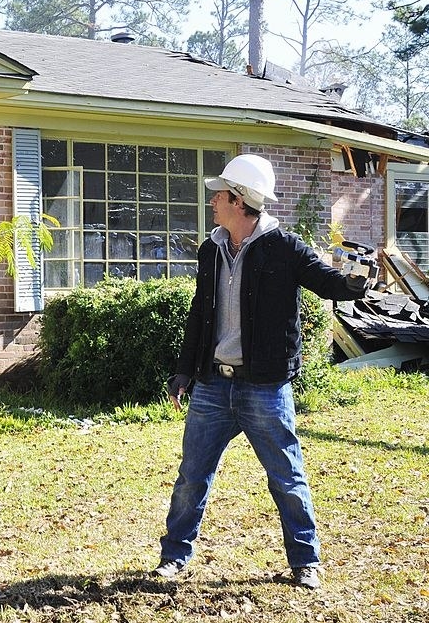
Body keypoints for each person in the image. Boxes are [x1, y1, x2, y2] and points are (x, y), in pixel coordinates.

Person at [154, 153, 374, 590]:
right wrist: (184, 371)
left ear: (239, 200)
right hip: (213, 386)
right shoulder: (211, 249)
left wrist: (356, 278)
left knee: (287, 477)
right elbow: (200, 313)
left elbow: (330, 284)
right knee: (190, 478)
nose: (212, 200)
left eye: (220, 194)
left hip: (265, 389)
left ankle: (305, 560)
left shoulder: (285, 248)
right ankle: (174, 556)